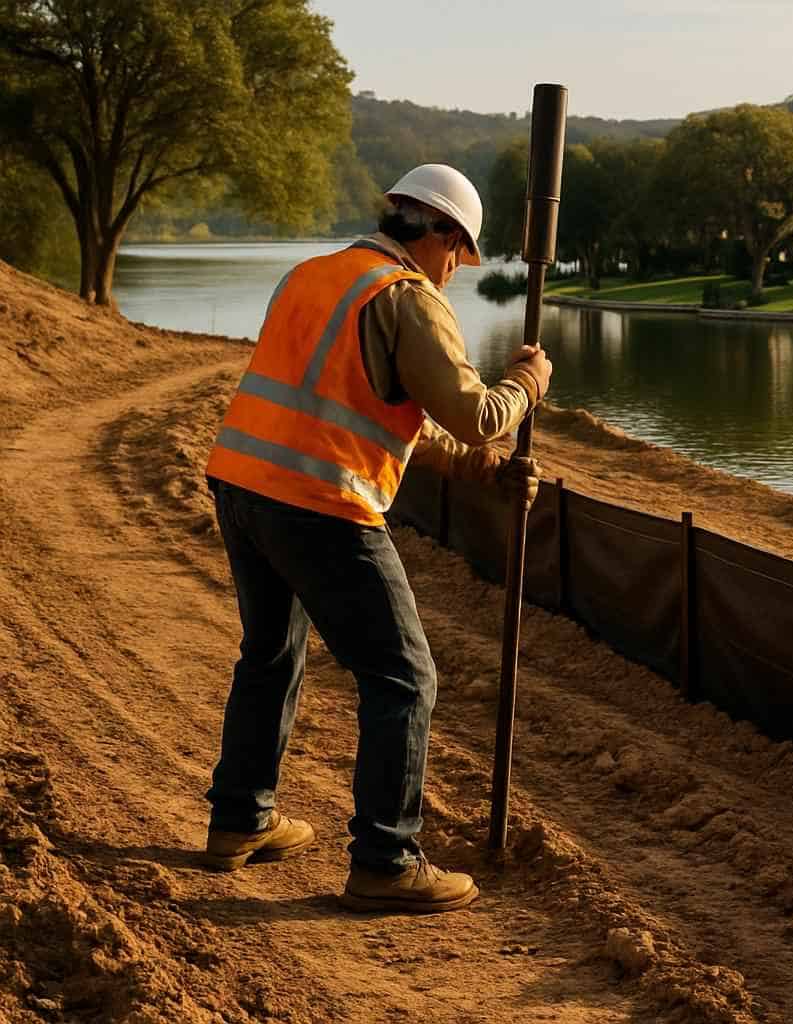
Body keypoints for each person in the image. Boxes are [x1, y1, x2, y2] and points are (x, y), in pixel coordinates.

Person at [199, 164, 552, 914]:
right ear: (445, 236)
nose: (456, 273)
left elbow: (387, 413)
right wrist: (527, 384)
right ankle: (386, 860)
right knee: (405, 678)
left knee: (269, 654)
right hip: (321, 504)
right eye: (460, 256)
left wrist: (480, 474)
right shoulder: (406, 298)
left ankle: (239, 822)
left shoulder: (314, 275)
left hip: (241, 485)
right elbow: (473, 414)